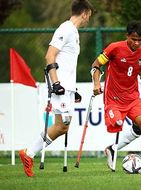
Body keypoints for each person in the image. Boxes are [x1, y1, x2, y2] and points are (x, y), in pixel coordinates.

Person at [19, 0, 94, 177]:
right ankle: (28, 153)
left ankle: (28, 153)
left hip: (67, 87)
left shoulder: (73, 32)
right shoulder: (66, 29)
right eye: (88, 16)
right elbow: (50, 55)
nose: (88, 20)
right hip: (59, 84)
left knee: (63, 126)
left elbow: (66, 63)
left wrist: (72, 89)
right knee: (62, 126)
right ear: (84, 13)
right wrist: (57, 83)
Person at [91, 20, 141, 174]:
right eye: (133, 39)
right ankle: (111, 150)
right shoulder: (114, 48)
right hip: (114, 98)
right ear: (127, 36)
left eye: (139, 40)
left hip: (133, 98)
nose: (136, 43)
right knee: (117, 124)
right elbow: (96, 65)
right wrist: (96, 84)